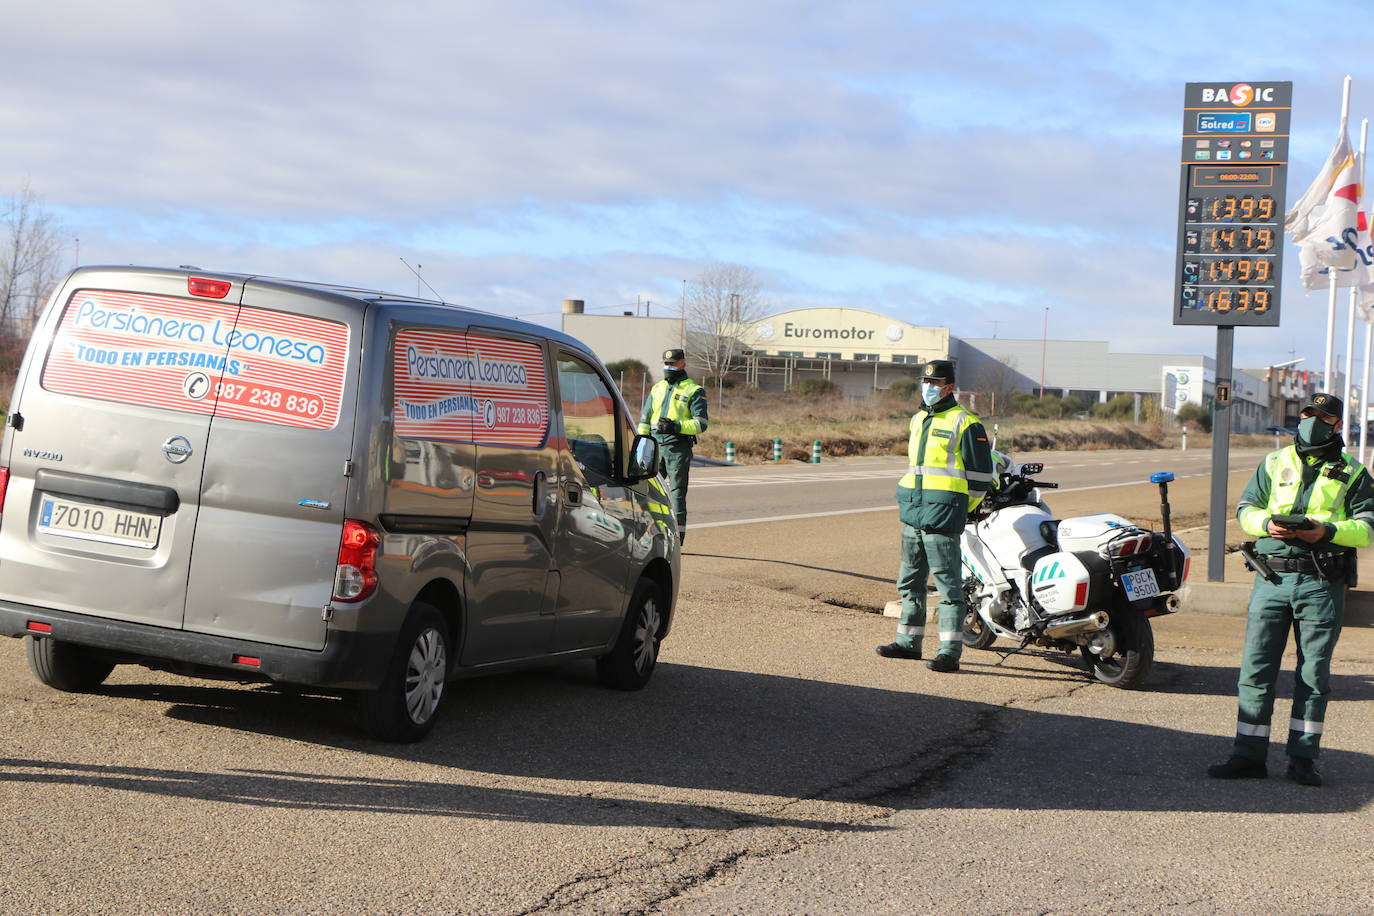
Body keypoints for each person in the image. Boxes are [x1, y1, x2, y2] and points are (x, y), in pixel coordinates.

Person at [1208, 392, 1374, 787]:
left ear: (1337, 424)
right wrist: (1267, 525)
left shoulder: (1353, 471)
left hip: (1320, 583)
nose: (1312, 421)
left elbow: (1368, 527)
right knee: (1256, 670)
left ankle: (1303, 759)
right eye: (1307, 414)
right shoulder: (1274, 461)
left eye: (1322, 416)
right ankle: (1247, 756)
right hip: (1272, 579)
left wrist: (1327, 531)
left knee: (1313, 675)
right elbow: (1245, 509)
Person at [876, 360, 994, 672]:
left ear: (949, 387)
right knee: (910, 582)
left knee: (948, 587)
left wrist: (960, 507)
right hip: (913, 512)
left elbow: (981, 477)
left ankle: (949, 652)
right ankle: (908, 643)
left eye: (935, 382)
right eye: (925, 381)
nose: (928, 387)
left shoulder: (966, 422)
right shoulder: (917, 420)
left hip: (943, 515)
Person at [637, 348, 708, 545]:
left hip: (677, 449)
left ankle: (677, 539)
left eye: (673, 363)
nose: (669, 367)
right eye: (666, 364)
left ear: (683, 363)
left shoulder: (694, 390)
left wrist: (676, 426)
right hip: (654, 448)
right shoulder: (657, 388)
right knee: (647, 493)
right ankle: (648, 536)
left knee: (676, 495)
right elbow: (644, 420)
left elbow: (701, 424)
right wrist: (640, 447)